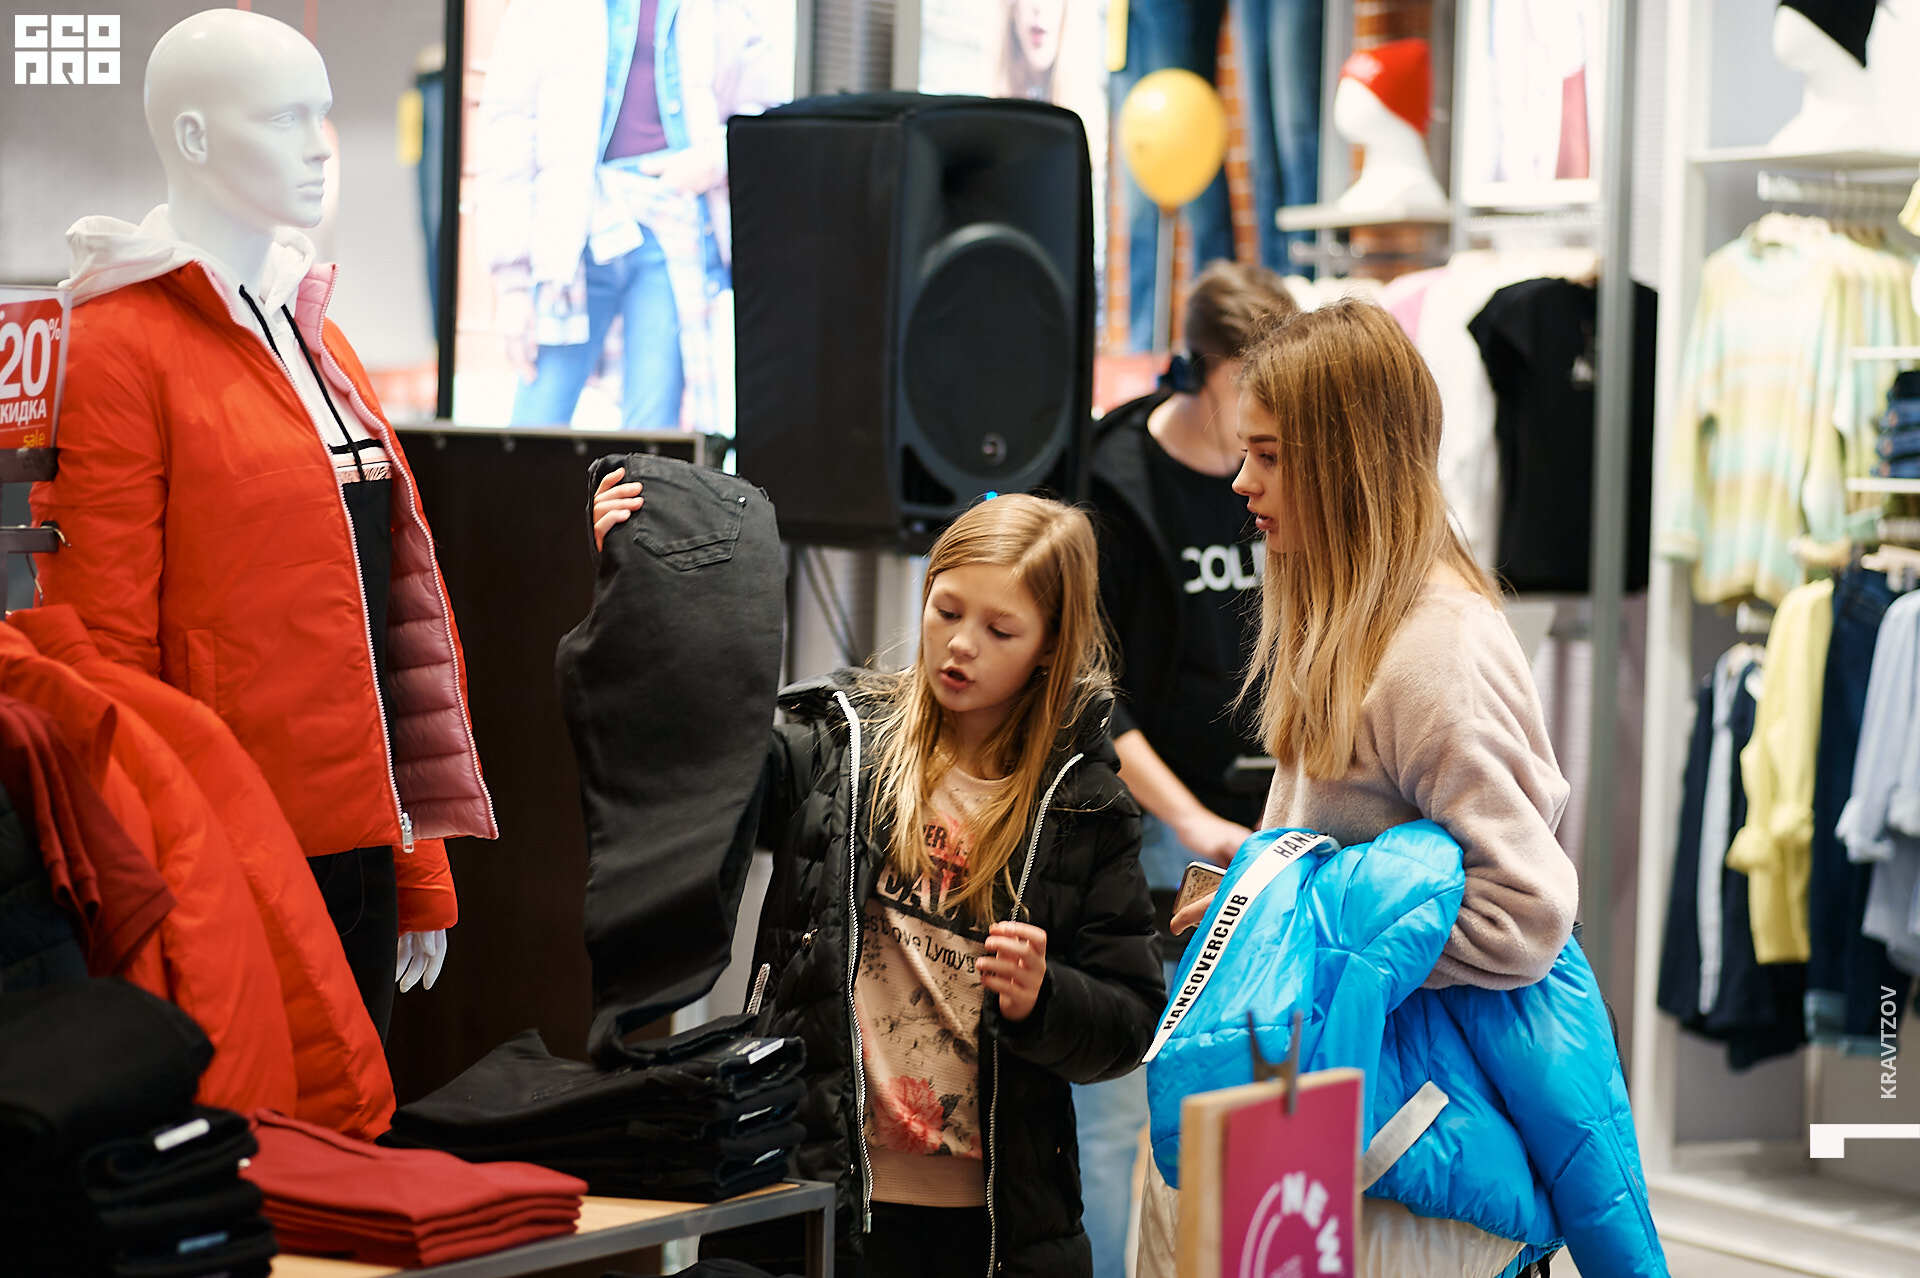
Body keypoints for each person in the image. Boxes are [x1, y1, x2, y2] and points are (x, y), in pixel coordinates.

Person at [34, 9, 494, 1042]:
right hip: (228, 855)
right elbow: (100, 661)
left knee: (362, 1127)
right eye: (286, 119)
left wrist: (416, 857)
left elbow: (379, 626)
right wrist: (154, 884)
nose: (320, 146)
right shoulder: (114, 348)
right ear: (194, 136)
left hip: (358, 846)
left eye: (322, 115)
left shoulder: (310, 332)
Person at [589, 482, 1164, 1277]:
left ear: (1049, 647)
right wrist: (642, 584)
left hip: (992, 1230)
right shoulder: (837, 742)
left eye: (999, 629)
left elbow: (1129, 1023)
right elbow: (692, 747)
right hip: (813, 1188)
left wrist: (1045, 997)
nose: (960, 644)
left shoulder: (1087, 806)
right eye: (946, 610)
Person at [1144, 298, 1579, 1276]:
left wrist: (1312, 943)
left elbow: (1526, 910)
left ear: (1346, 462)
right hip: (1347, 1126)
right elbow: (1334, 857)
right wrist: (1255, 909)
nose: (1241, 482)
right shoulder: (1350, 619)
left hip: (1414, 1156)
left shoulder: (1434, 650)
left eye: (1268, 456)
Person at [1073, 257, 1296, 1278]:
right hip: (1155, 823)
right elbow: (1092, 692)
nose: (1259, 436)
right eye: (1249, 387)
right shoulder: (1115, 482)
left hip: (1281, 818)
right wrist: (1189, 820)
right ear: (1201, 367)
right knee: (1120, 1103)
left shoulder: (1291, 475)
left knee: (1265, 1091)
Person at [477, 0, 779, 433]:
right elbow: (508, 129)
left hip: (672, 228)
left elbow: (762, 113)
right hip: (571, 233)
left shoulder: (725, 8)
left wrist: (710, 161)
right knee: (535, 424)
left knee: (652, 439)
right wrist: (511, 284)